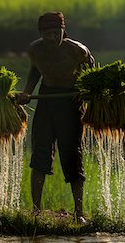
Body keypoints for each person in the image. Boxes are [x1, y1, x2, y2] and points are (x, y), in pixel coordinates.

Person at [17, 12, 94, 223]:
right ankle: (36, 210)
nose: (51, 38)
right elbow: (35, 71)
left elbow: (92, 71)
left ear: (63, 32)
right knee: (40, 153)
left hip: (70, 101)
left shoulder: (77, 51)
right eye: (46, 34)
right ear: (41, 34)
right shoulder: (35, 50)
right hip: (46, 99)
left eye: (55, 33)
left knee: (71, 155)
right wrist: (27, 92)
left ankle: (79, 214)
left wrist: (87, 90)